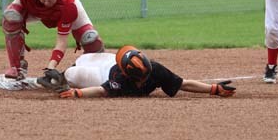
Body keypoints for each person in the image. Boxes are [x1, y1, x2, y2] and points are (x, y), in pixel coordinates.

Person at [40, 46, 236, 99]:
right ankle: (62, 76)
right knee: (79, 68)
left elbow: (183, 83)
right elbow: (101, 90)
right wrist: (77, 92)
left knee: (81, 67)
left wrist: (214, 89)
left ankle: (66, 74)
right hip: (103, 74)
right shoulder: (118, 76)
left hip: (107, 68)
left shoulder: (155, 70)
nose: (145, 79)